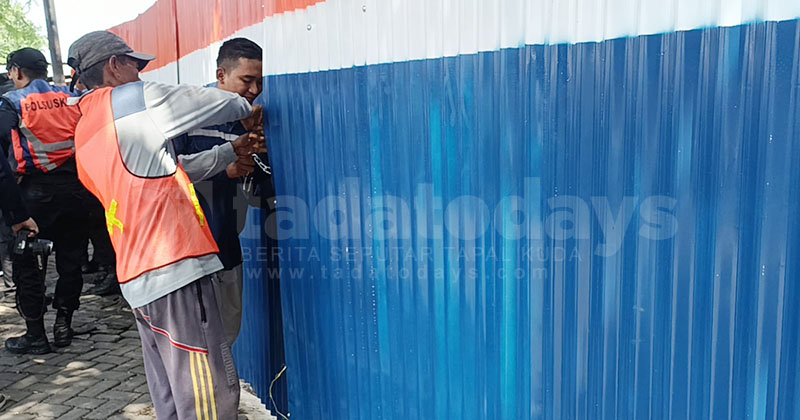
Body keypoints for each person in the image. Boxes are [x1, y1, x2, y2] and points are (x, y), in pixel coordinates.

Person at [67, 31, 265, 419]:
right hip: (174, 266)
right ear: (113, 66)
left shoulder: (88, 127)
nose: (140, 75)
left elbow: (162, 175)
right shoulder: (129, 100)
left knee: (171, 388)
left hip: (139, 277)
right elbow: (208, 101)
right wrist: (243, 106)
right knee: (205, 390)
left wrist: (228, 152)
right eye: (134, 66)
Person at [173, 37, 270, 346]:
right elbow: (166, 176)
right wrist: (224, 168)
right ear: (221, 76)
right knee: (194, 345)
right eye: (247, 80)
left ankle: (219, 394)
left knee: (226, 339)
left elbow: (261, 197)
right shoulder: (187, 116)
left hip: (227, 249)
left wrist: (262, 156)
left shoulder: (251, 123)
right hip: (187, 256)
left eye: (260, 81)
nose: (254, 90)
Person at [0, 48, 95, 354]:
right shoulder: (70, 98)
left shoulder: (12, 103)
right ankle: (64, 323)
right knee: (71, 260)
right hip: (76, 188)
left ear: (16, 71)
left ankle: (35, 335)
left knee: (27, 263)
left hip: (35, 193)